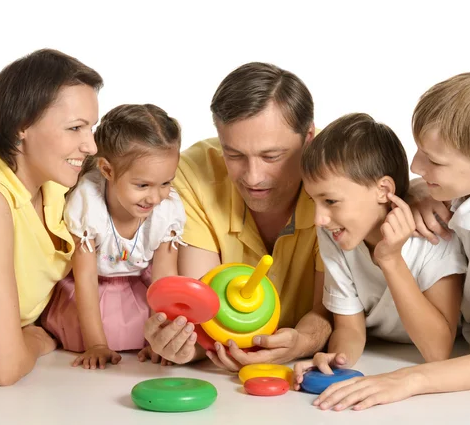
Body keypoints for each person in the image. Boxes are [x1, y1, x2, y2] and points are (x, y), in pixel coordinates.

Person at [312, 72, 470, 411]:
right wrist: (415, 188)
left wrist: (409, 380)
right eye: (421, 151)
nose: (415, 165)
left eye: (434, 161)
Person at [143, 62, 333, 368]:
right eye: (234, 155)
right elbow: (203, 316)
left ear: (308, 138)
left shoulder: (340, 172)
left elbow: (330, 309)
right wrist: (185, 347)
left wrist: (303, 342)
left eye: (272, 156)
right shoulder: (192, 174)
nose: (253, 177)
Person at [0, 49, 102, 385]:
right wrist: (35, 339)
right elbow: (3, 368)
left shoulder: (52, 182)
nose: (90, 146)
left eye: (91, 128)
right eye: (76, 128)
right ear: (22, 125)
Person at [293, 113, 466, 388]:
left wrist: (391, 259)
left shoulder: (435, 235)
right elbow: (350, 327)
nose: (318, 218)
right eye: (314, 200)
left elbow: (438, 350)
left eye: (330, 200)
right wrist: (337, 360)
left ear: (383, 190)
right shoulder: (335, 233)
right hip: (382, 355)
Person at [41, 104, 186, 370]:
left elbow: (164, 278)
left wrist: (159, 338)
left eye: (165, 183)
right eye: (142, 185)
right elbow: (85, 279)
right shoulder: (88, 204)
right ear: (107, 171)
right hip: (93, 289)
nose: (155, 197)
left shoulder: (167, 211)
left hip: (137, 286)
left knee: (143, 321)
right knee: (86, 325)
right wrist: (96, 344)